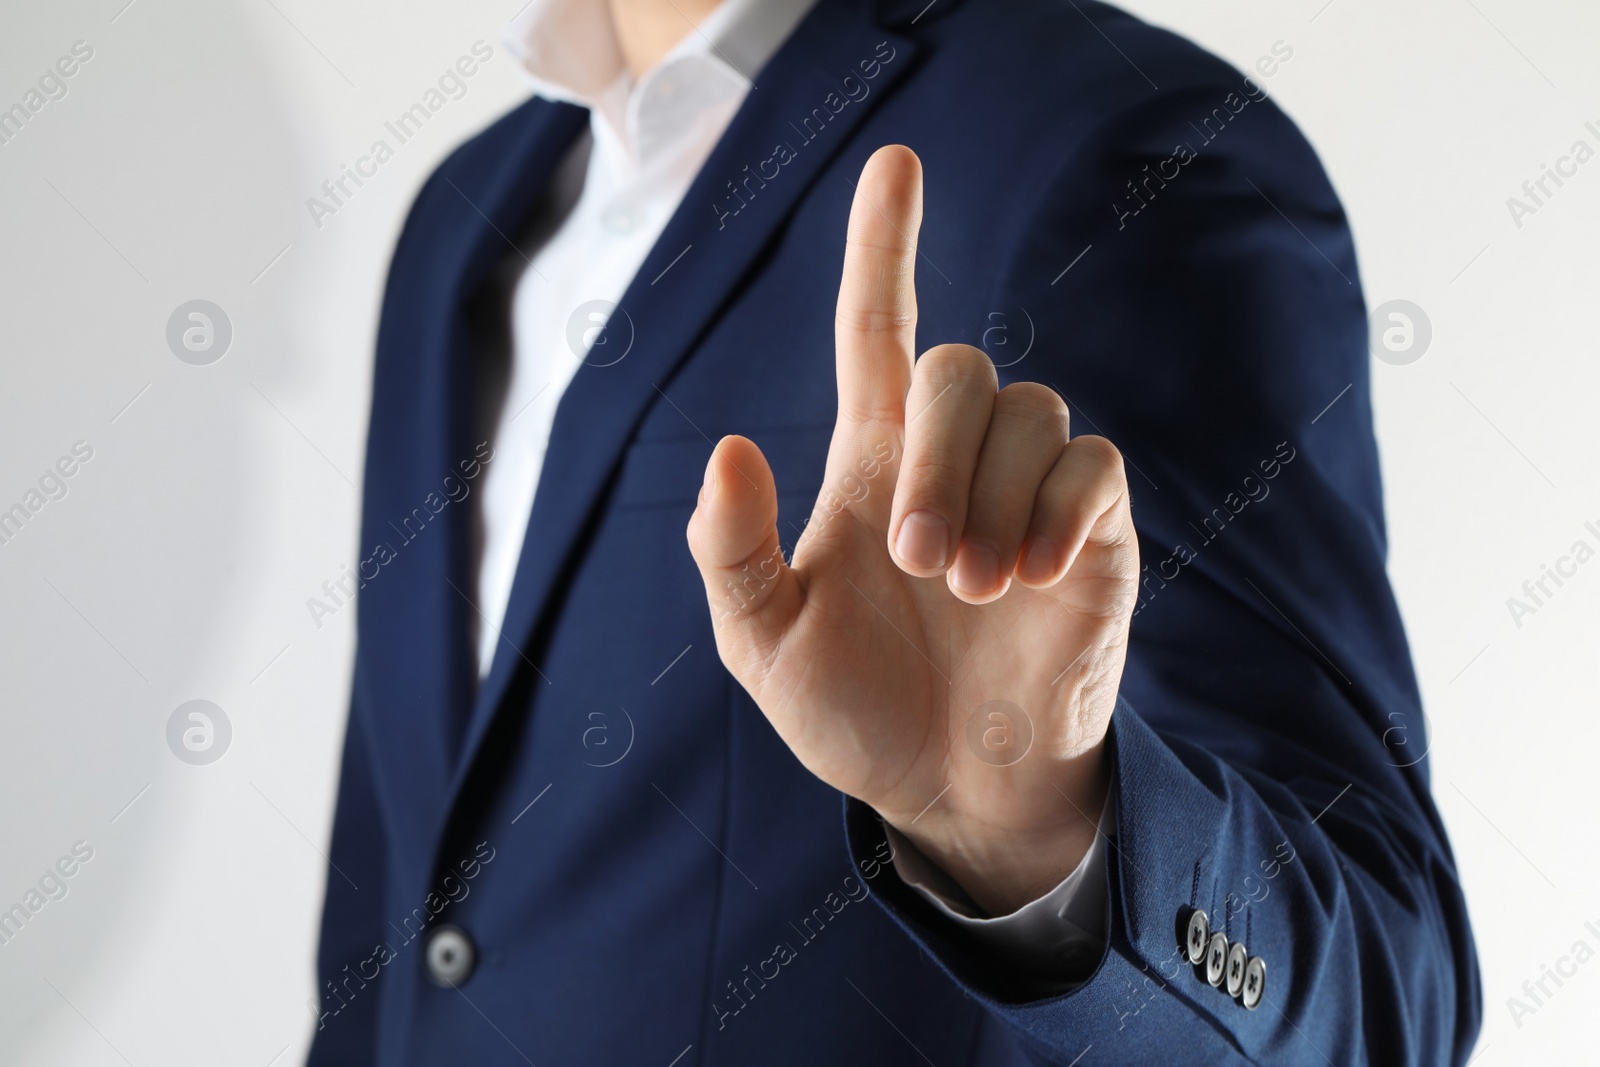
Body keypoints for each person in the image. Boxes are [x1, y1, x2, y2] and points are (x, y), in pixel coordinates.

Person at [307, 0, 1481, 1062]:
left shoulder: (1116, 144)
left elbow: (1391, 1006)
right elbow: (400, 931)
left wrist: (1041, 837)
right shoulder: (457, 222)